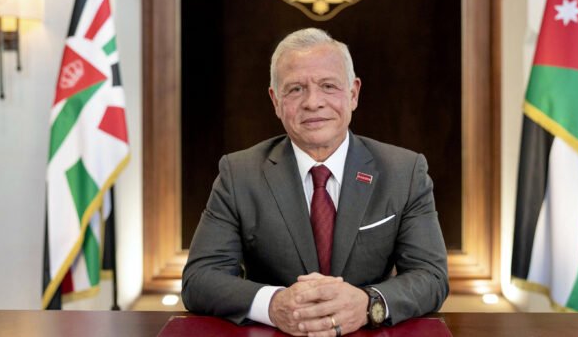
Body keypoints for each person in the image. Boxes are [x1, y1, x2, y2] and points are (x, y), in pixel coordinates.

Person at [182, 28, 448, 336]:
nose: (313, 102)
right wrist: (274, 304)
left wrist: (368, 304)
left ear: (353, 94)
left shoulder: (404, 172)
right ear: (276, 101)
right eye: (295, 89)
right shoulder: (239, 174)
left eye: (328, 86)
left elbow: (431, 276)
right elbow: (199, 279)